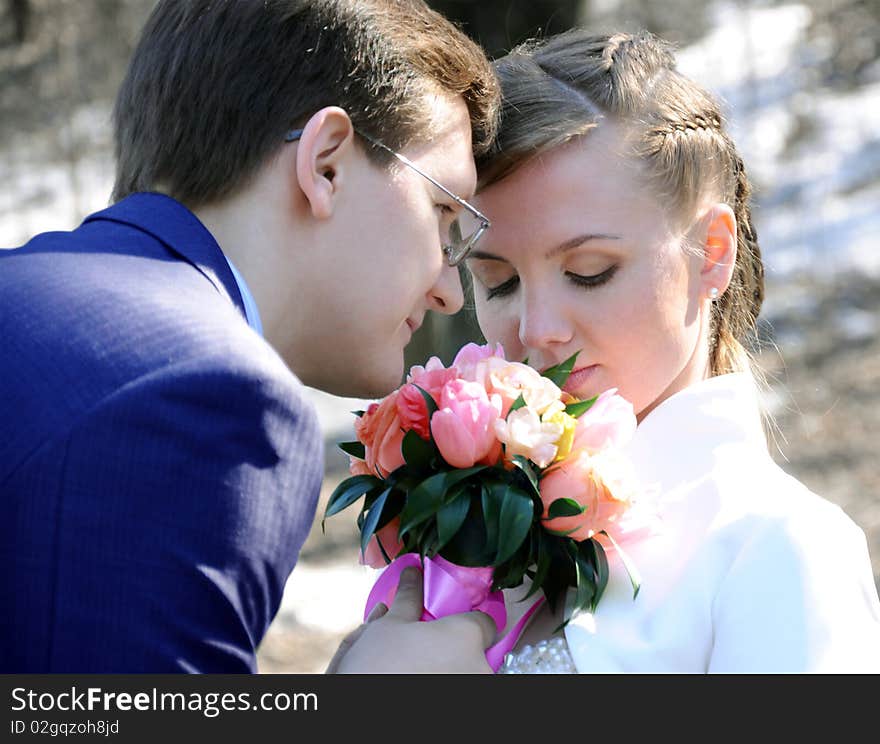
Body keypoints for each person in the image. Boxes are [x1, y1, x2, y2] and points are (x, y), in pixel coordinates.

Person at [0, 0, 498, 673]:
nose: (447, 287)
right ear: (326, 163)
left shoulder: (31, 287)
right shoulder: (201, 395)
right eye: (445, 215)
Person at [461, 30, 880, 672]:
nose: (537, 328)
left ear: (712, 251)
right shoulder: (478, 538)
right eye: (498, 282)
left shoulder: (777, 546)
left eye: (590, 271)